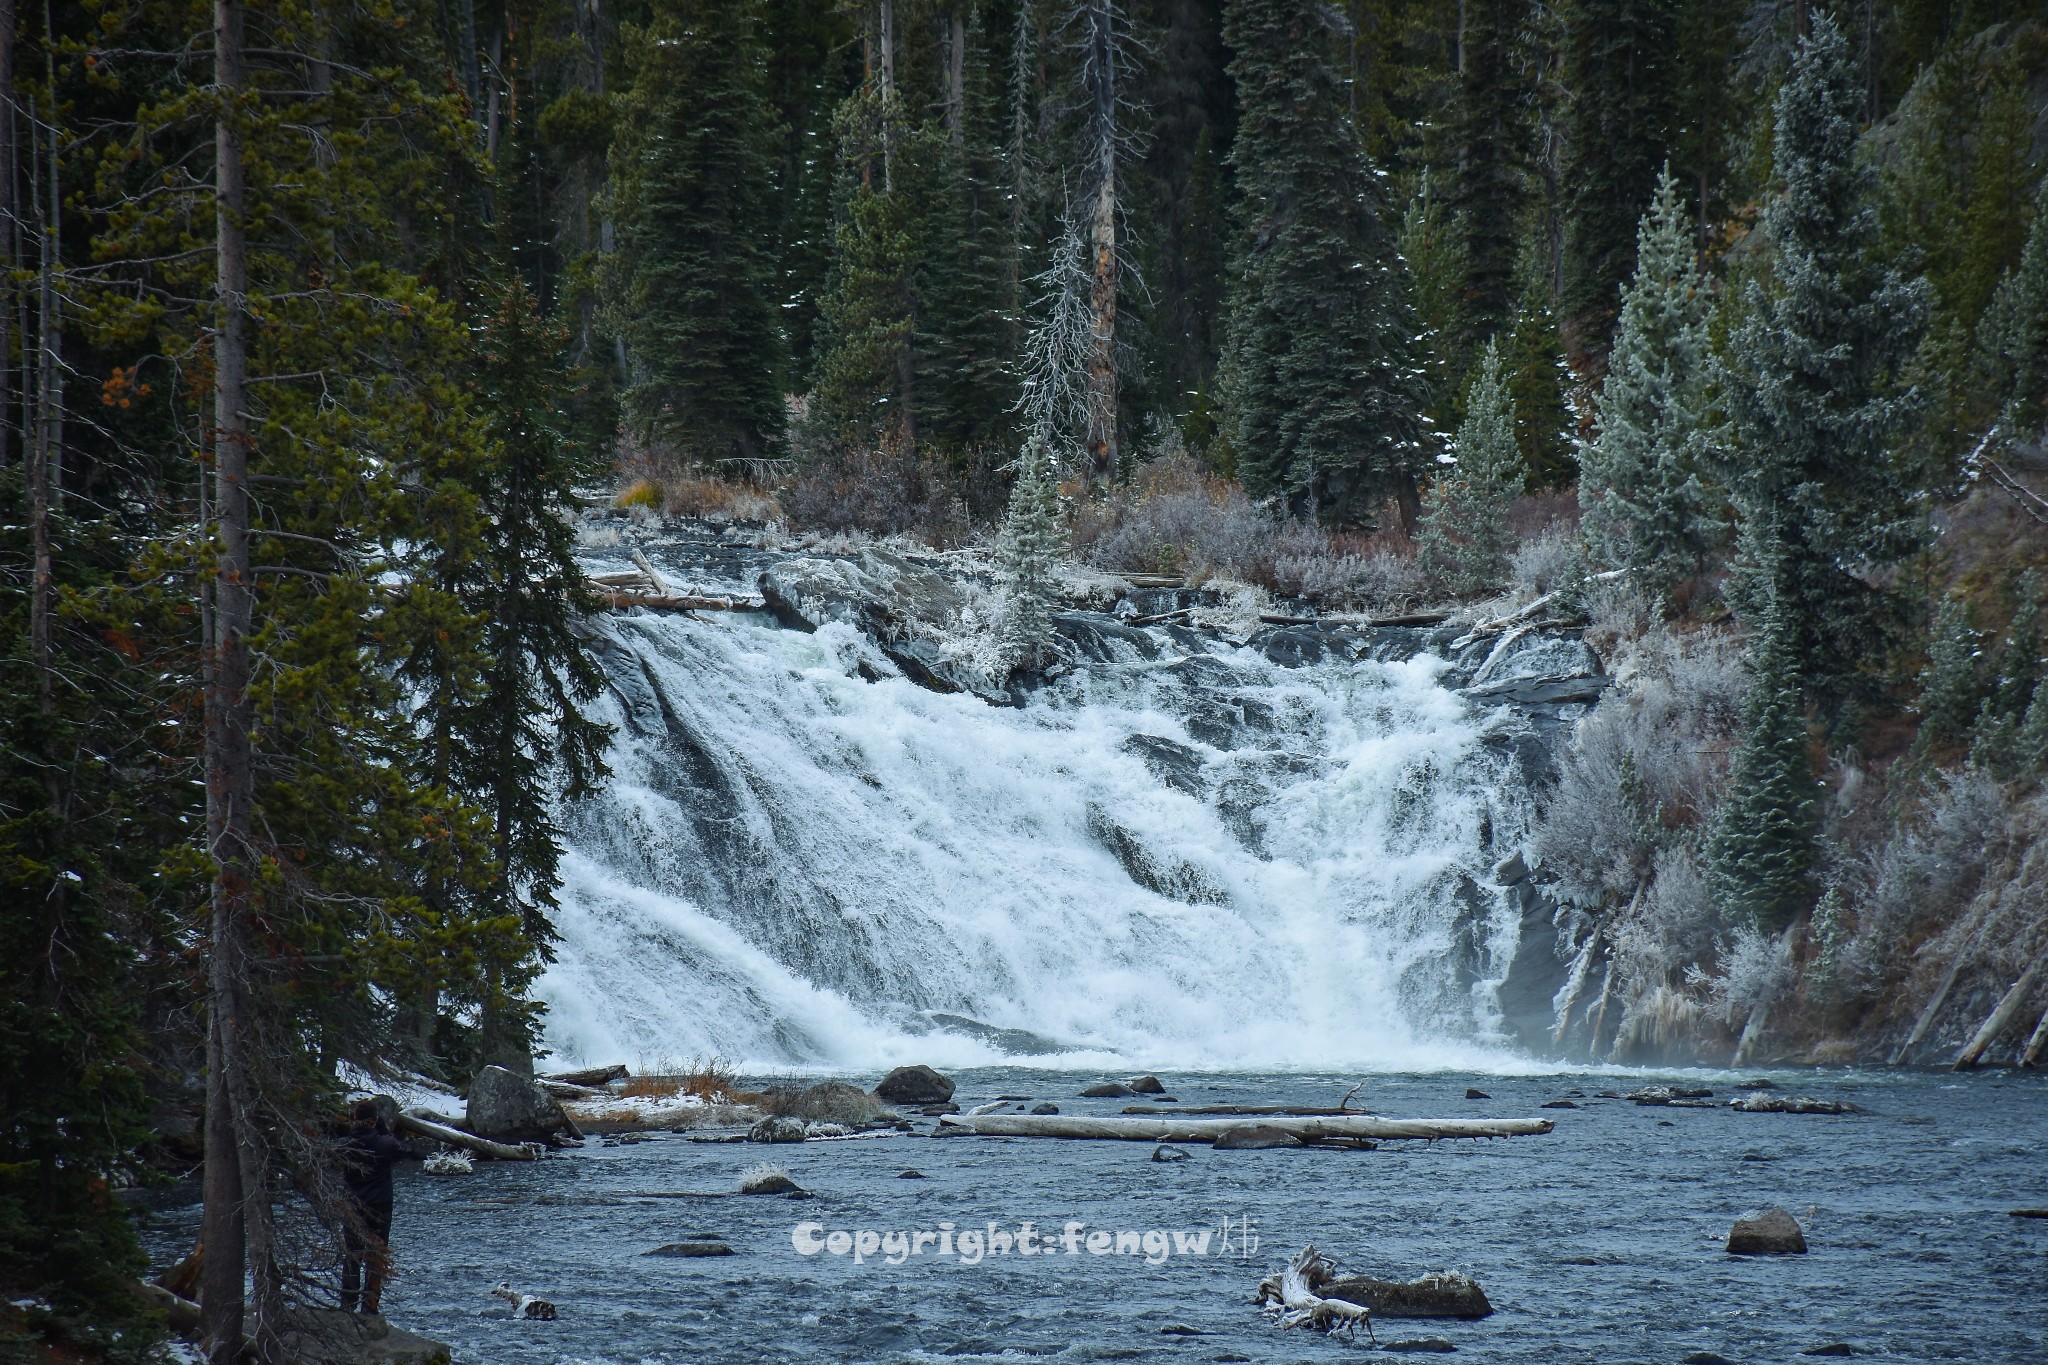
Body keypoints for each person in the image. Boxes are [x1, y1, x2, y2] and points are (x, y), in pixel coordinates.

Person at [340, 1099, 406, 1314]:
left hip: (352, 1206)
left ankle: (347, 1304)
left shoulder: (344, 1145)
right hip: (380, 1207)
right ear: (375, 1120)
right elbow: (400, 1149)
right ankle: (370, 1305)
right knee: (376, 1254)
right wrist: (384, 1128)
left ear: (354, 1120)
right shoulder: (384, 1143)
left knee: (352, 1255)